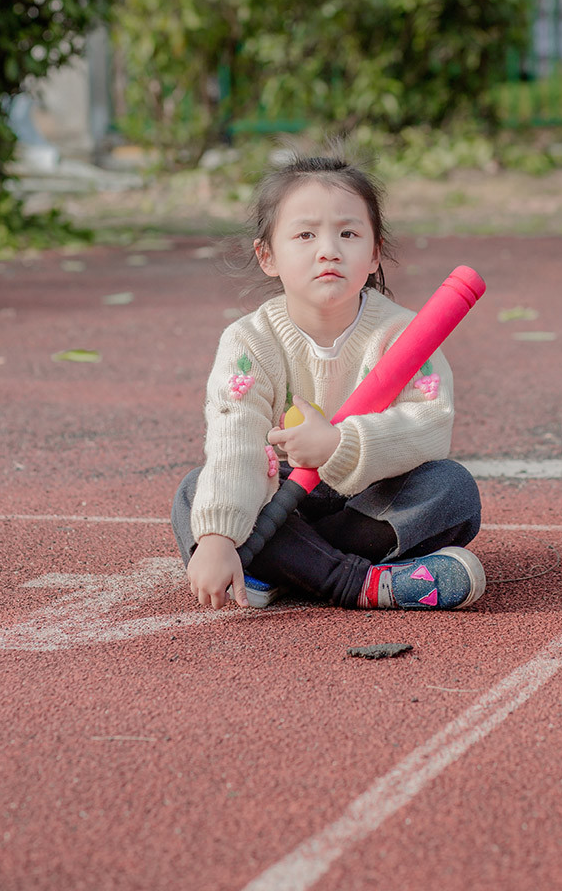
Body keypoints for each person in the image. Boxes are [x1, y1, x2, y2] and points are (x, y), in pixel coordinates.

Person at [171, 147, 484, 612]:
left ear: (375, 253)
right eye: (304, 234)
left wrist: (339, 445)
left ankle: (289, 569)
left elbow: (430, 424)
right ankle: (362, 583)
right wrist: (218, 537)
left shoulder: (401, 334)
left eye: (348, 233)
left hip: (367, 505)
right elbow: (234, 439)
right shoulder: (249, 342)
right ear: (267, 255)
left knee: (452, 489)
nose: (328, 250)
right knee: (197, 494)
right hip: (278, 505)